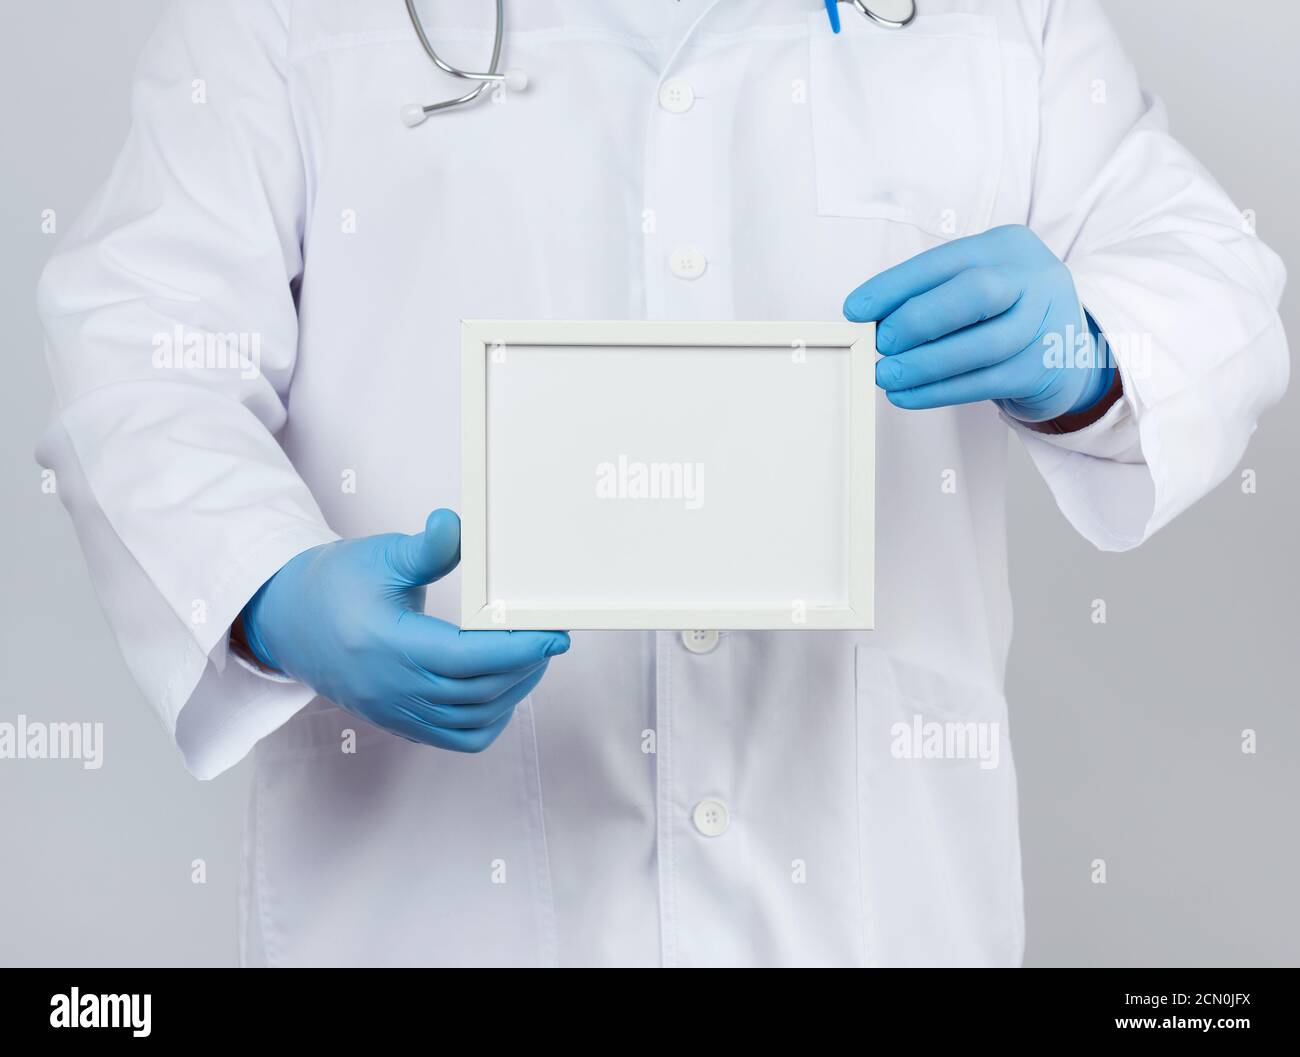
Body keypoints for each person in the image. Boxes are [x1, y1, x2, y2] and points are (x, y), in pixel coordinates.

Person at [36, 0, 1287, 967]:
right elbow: (142, 349)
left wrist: (1089, 350)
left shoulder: (993, 22)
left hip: (866, 916)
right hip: (424, 909)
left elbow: (1212, 278)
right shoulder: (282, 21)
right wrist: (270, 589)